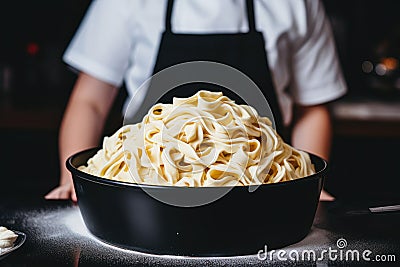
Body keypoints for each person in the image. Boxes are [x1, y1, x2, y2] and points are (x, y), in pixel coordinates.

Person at [45, 0, 347, 202]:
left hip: (263, 192)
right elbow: (90, 102)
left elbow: (313, 107)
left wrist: (308, 185)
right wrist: (73, 180)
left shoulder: (296, 3)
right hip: (146, 193)